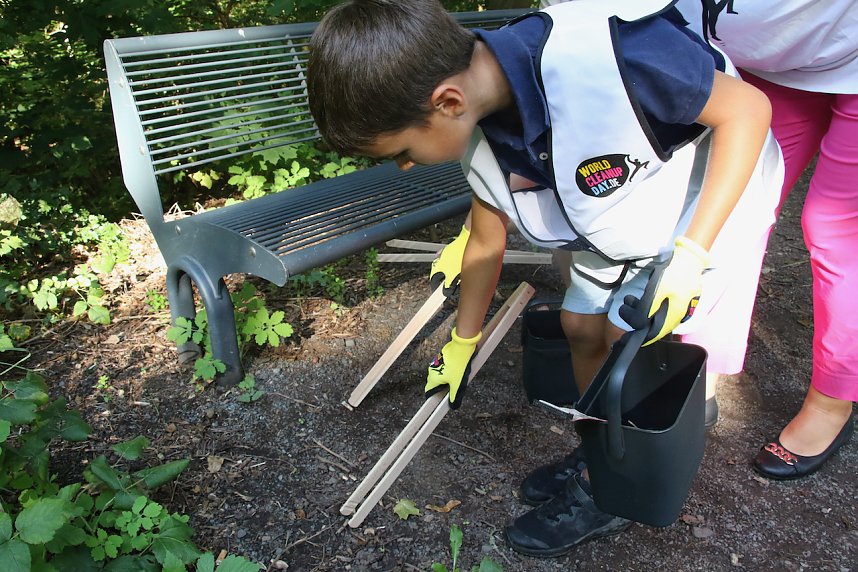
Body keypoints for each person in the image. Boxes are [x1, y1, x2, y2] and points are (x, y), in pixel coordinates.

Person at [307, 0, 782, 557]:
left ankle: (613, 489)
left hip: (699, 215)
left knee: (620, 343)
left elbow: (748, 110)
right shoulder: (479, 123)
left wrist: (692, 253)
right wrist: (462, 344)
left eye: (403, 152)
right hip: (619, 222)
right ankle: (601, 444)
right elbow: (486, 242)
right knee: (579, 324)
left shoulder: (609, 57)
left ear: (447, 101)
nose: (406, 166)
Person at [673, 0, 857, 480]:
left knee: (836, 230)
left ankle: (832, 399)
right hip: (772, 62)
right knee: (732, 203)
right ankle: (700, 360)